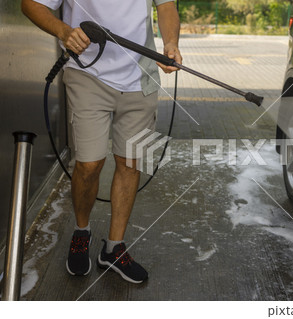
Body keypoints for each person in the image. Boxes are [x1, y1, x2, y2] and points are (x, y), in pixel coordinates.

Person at [21, 0, 182, 284]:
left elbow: (167, 6)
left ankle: (113, 248)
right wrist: (63, 30)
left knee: (130, 162)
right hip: (87, 72)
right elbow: (31, 4)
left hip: (139, 77)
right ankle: (82, 232)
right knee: (89, 163)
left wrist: (171, 44)